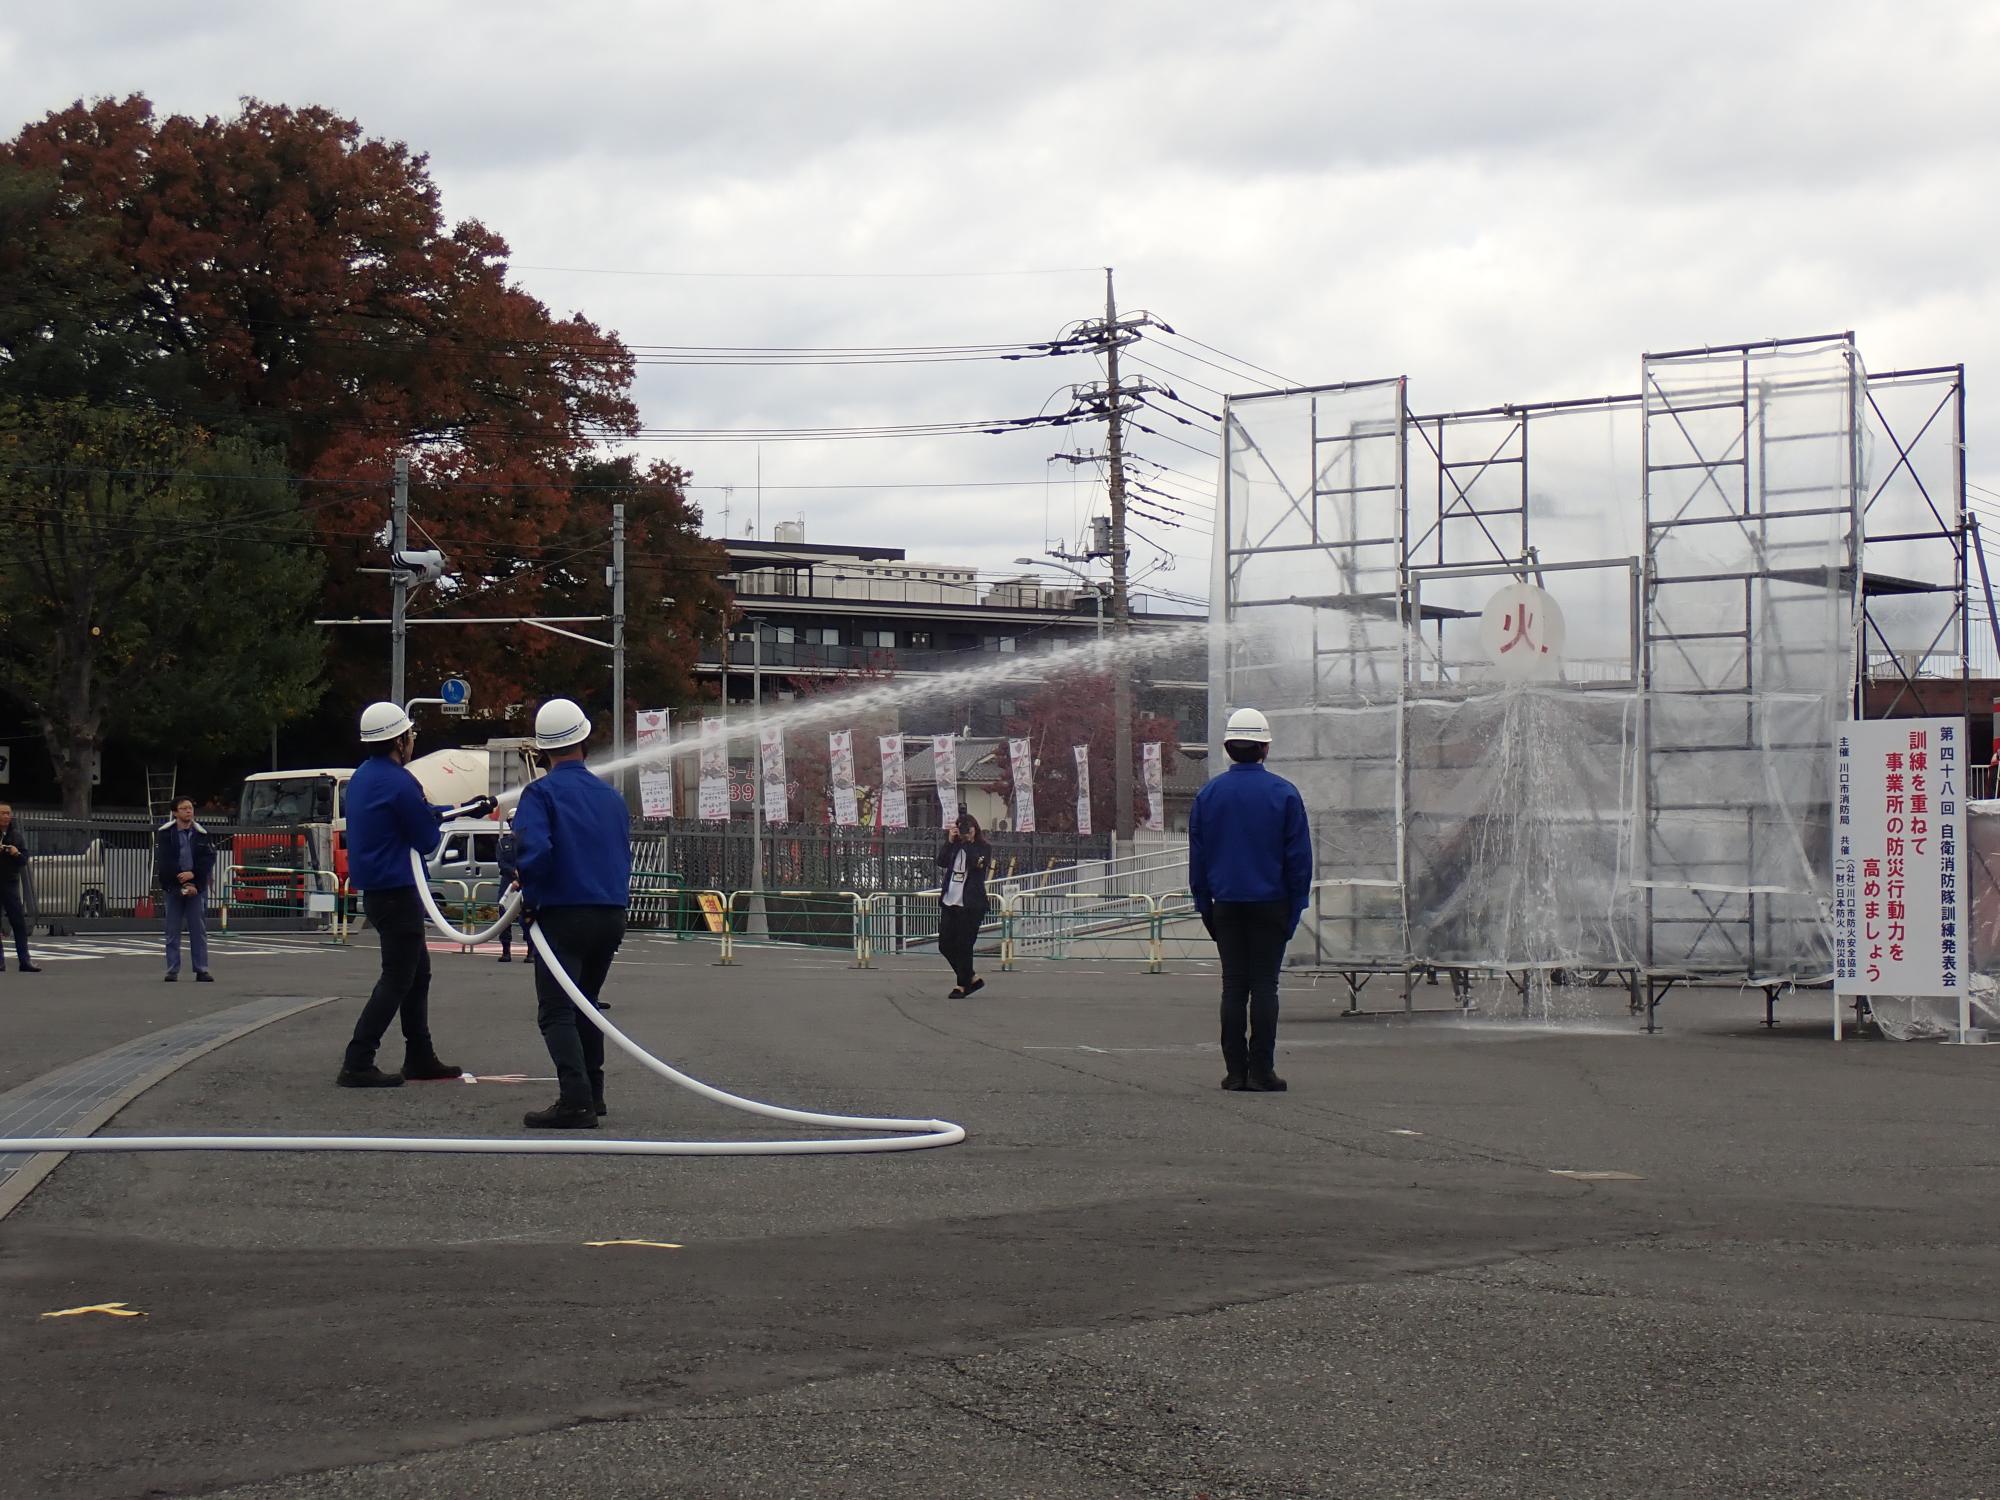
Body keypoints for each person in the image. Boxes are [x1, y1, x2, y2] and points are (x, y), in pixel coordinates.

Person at [337, 701, 492, 1088]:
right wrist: (450, 814)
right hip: (397, 890)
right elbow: (423, 835)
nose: (412, 741)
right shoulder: (399, 781)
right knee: (398, 977)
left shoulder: (364, 778)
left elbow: (414, 815)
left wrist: (464, 809)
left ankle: (419, 1055)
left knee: (416, 974)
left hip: (378, 890)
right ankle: (358, 1059)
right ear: (399, 739)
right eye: (410, 735)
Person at [513, 697, 631, 1129]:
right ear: (584, 739)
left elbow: (534, 851)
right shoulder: (611, 797)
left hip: (564, 914)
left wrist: (531, 897)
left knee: (556, 1010)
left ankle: (575, 1100)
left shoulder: (539, 793)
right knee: (587, 1003)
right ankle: (594, 1094)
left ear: (542, 750)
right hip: (611, 913)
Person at [1188, 707, 1312, 1094]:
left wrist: (1206, 907)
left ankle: (1234, 1072)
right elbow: (1299, 861)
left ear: (1227, 748)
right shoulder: (1285, 793)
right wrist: (1294, 909)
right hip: (1271, 903)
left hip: (1225, 903)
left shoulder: (1208, 795)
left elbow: (1199, 861)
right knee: (1264, 986)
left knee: (1233, 987)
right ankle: (1262, 1071)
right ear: (1265, 747)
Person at [153, 797, 216, 982]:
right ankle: (172, 969)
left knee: (198, 929)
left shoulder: (202, 833)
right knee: (172, 929)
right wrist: (182, 881)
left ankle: (201, 969)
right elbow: (165, 861)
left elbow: (208, 859)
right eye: (184, 808)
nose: (188, 811)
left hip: (197, 887)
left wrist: (194, 878)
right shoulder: (165, 833)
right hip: (174, 887)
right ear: (175, 812)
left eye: (190, 808)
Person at [935, 811, 993, 998]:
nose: (964, 832)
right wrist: (950, 841)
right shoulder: (954, 846)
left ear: (975, 829)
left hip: (971, 904)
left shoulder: (983, 848)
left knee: (964, 945)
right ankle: (972, 979)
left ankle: (962, 985)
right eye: (961, 828)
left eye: (967, 828)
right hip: (950, 900)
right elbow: (941, 861)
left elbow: (977, 864)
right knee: (945, 944)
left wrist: (968, 843)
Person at [0, 802, 40, 973]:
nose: (6, 816)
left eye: (8, 813)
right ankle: (0, 962)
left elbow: (24, 860)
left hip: (10, 883)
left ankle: (25, 961)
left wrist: (15, 853)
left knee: (19, 923)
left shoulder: (15, 836)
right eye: (2, 813)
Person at [495, 822, 529, 963]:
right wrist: (513, 872)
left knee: (528, 917)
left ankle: (531, 952)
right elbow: (501, 863)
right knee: (504, 917)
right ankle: (506, 952)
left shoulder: (528, 842)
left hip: (525, 883)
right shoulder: (503, 843)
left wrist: (520, 876)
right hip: (508, 884)